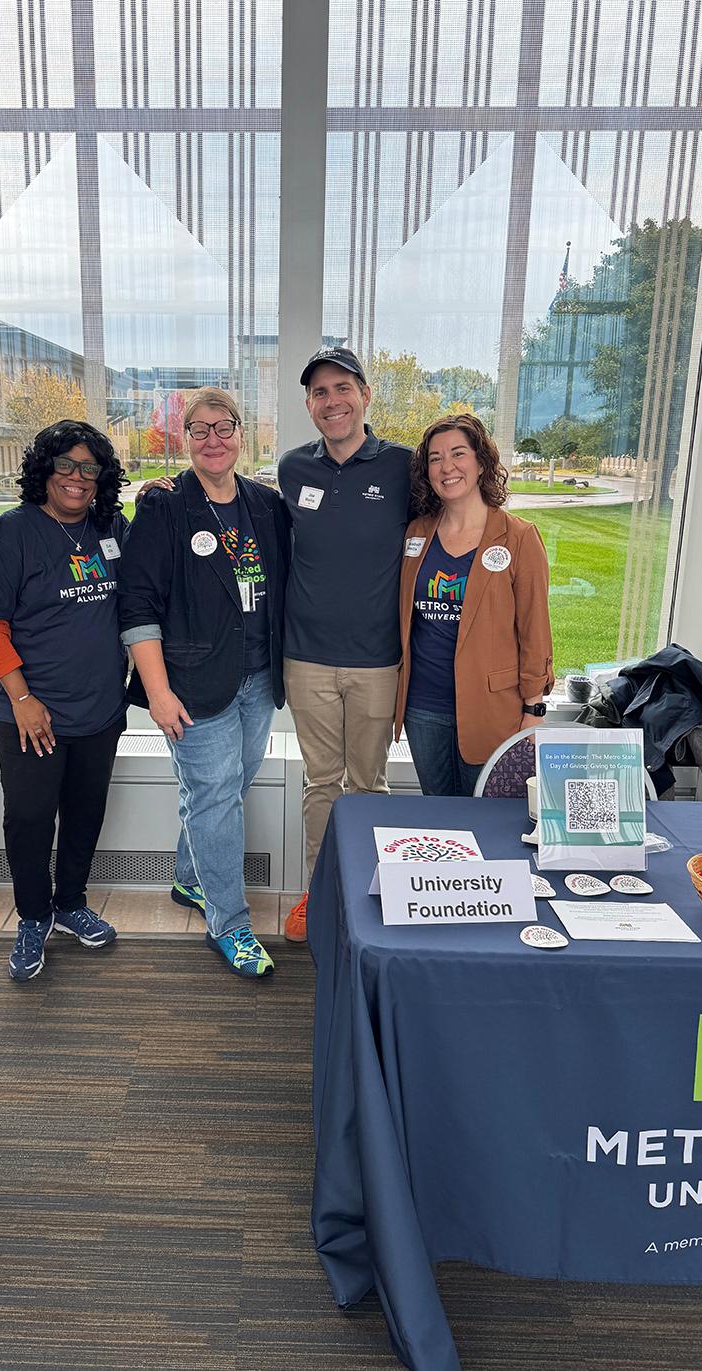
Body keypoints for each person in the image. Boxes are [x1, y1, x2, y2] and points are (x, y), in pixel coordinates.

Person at [119, 388, 290, 978]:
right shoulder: (164, 507)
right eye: (200, 430)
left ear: (243, 434)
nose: (213, 439)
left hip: (258, 675)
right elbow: (137, 604)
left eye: (225, 427)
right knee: (216, 798)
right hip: (192, 683)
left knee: (227, 788)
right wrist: (159, 692)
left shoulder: (265, 504)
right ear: (183, 439)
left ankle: (190, 880)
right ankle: (231, 924)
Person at [0, 420, 129, 982]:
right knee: (31, 819)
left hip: (100, 708)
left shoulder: (111, 527)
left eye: (89, 468)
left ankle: (70, 905)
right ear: (44, 471)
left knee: (85, 814)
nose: (77, 479)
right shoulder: (9, 535)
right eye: (66, 466)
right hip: (31, 712)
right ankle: (33, 917)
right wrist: (21, 697)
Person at [277, 347, 413, 940]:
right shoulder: (292, 469)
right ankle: (319, 893)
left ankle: (367, 893)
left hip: (377, 660)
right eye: (319, 393)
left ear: (365, 394)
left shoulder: (403, 468)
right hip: (305, 656)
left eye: (341, 389)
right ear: (309, 405)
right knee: (320, 783)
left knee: (368, 784)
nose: (331, 402)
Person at [394, 412, 554, 794]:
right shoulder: (417, 532)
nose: (446, 466)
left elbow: (535, 630)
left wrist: (534, 711)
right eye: (435, 458)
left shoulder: (518, 538)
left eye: (458, 454)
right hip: (424, 706)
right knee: (439, 814)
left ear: (481, 462)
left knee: (487, 819)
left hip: (491, 708)